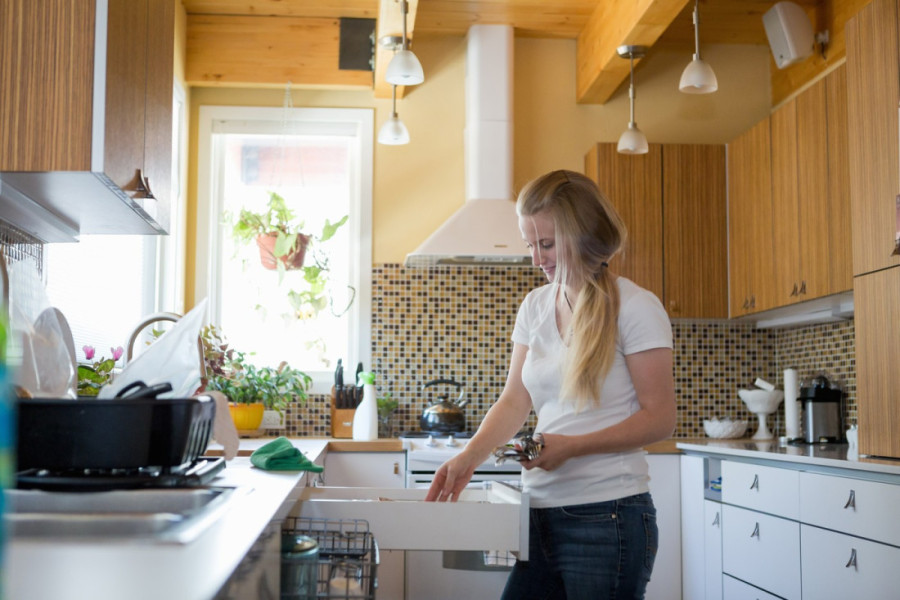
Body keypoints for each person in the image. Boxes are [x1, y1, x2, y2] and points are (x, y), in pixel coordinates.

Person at [425, 169, 676, 599]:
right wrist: (468, 457)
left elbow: (660, 420)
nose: (537, 259)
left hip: (608, 517)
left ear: (583, 237)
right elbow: (514, 401)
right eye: (530, 244)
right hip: (537, 513)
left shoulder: (636, 307)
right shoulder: (535, 306)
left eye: (547, 244)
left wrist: (571, 446)